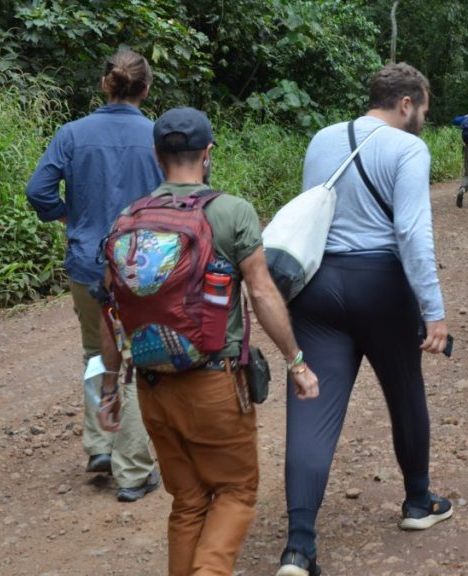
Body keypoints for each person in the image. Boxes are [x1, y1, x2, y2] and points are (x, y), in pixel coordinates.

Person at [96, 107, 320, 575]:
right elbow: (261, 291)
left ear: (157, 156)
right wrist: (296, 362)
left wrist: (111, 387)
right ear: (208, 154)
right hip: (214, 386)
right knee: (236, 492)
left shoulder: (128, 218)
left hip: (152, 388)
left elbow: (110, 310)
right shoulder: (230, 211)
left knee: (189, 499)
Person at [278, 62, 452, 576]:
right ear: (406, 104)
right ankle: (418, 502)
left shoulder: (323, 138)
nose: (423, 118)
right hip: (380, 284)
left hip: (317, 285)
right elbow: (413, 235)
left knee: (310, 404)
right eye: (422, 108)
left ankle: (299, 547)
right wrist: (435, 312)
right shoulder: (408, 149)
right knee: (404, 391)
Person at [25, 48, 160, 502]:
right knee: (139, 360)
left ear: (106, 84)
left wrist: (70, 218)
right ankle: (133, 470)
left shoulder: (72, 134)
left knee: (94, 352)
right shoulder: (158, 137)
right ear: (145, 88)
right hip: (142, 266)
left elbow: (37, 190)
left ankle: (100, 447)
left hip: (86, 262)